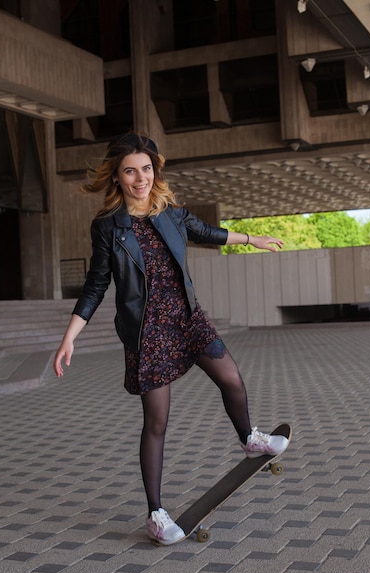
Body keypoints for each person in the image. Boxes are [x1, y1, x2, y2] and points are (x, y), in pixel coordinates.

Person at [53, 131, 289, 545]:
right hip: (148, 332)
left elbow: (207, 233)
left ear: (154, 171)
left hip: (187, 318)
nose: (140, 178)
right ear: (118, 178)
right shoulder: (109, 228)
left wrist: (252, 239)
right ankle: (156, 514)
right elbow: (96, 284)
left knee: (231, 378)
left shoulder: (171, 213)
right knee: (157, 422)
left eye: (146, 169)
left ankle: (250, 439)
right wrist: (70, 336)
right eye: (131, 171)